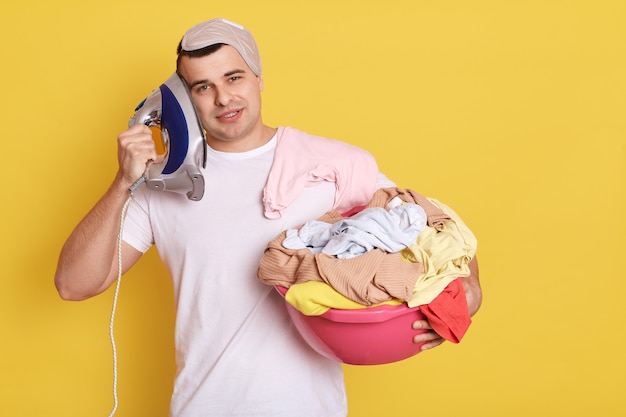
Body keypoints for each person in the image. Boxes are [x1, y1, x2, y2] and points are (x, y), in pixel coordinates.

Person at [55, 18, 482, 417]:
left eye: (234, 77)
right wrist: (121, 183)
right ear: (185, 99)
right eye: (203, 86)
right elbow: (74, 284)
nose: (223, 98)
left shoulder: (333, 165)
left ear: (259, 78)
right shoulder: (165, 186)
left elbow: (433, 226)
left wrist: (470, 290)